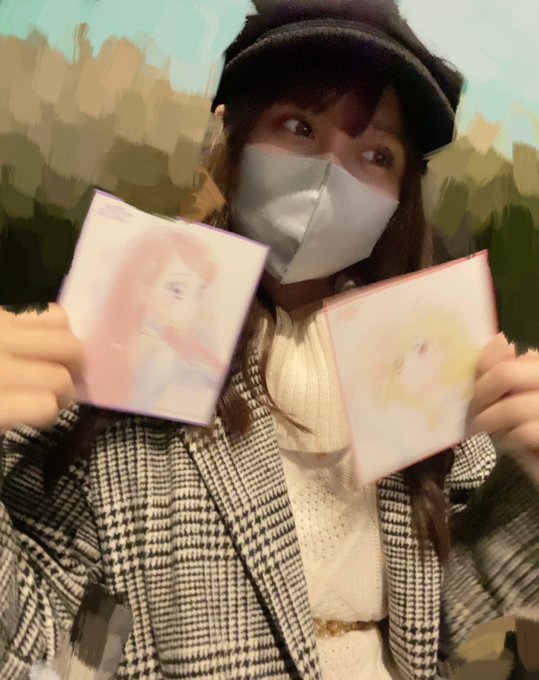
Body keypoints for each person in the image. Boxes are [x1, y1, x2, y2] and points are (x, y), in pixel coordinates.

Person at [0, 1, 538, 679]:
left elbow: (452, 624)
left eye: (375, 154)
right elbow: (50, 649)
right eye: (299, 126)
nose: (329, 175)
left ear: (401, 194)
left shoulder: (419, 362)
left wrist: (530, 486)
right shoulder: (121, 340)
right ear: (234, 134)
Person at [80, 227, 223, 417]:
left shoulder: (177, 351)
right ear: (143, 289)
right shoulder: (155, 354)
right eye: (177, 290)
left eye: (199, 292)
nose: (192, 304)